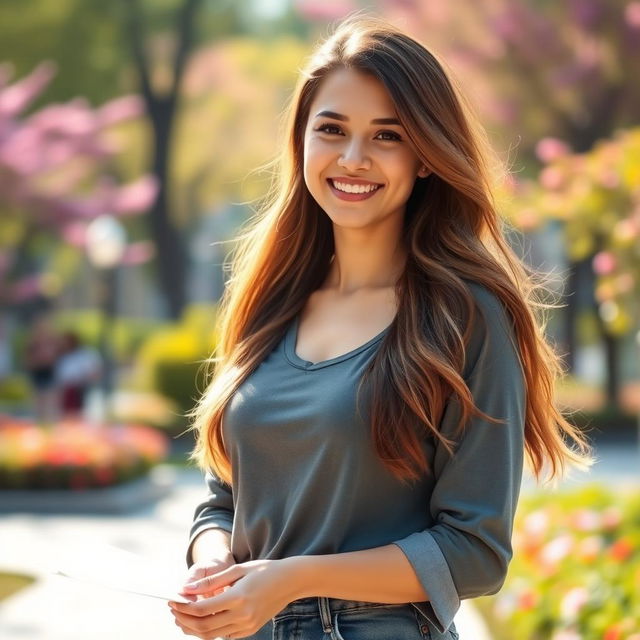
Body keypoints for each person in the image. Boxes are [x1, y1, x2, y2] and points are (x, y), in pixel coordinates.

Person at [168, 15, 595, 640]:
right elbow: (223, 500)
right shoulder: (269, 300)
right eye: (332, 129)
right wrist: (211, 566)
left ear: (425, 156)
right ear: (302, 142)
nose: (353, 158)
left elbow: (474, 553)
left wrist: (291, 579)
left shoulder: (466, 315)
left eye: (387, 136)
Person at [23, 314, 62, 424]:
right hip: (38, 371)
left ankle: (50, 422)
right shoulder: (33, 341)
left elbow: (58, 355)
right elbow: (28, 358)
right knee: (39, 398)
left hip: (49, 370)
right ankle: (40, 421)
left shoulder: (52, 340)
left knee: (50, 397)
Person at [55, 330, 102, 418]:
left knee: (79, 413)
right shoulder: (62, 356)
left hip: (80, 388)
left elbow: (94, 371)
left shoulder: (83, 355)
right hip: (66, 389)